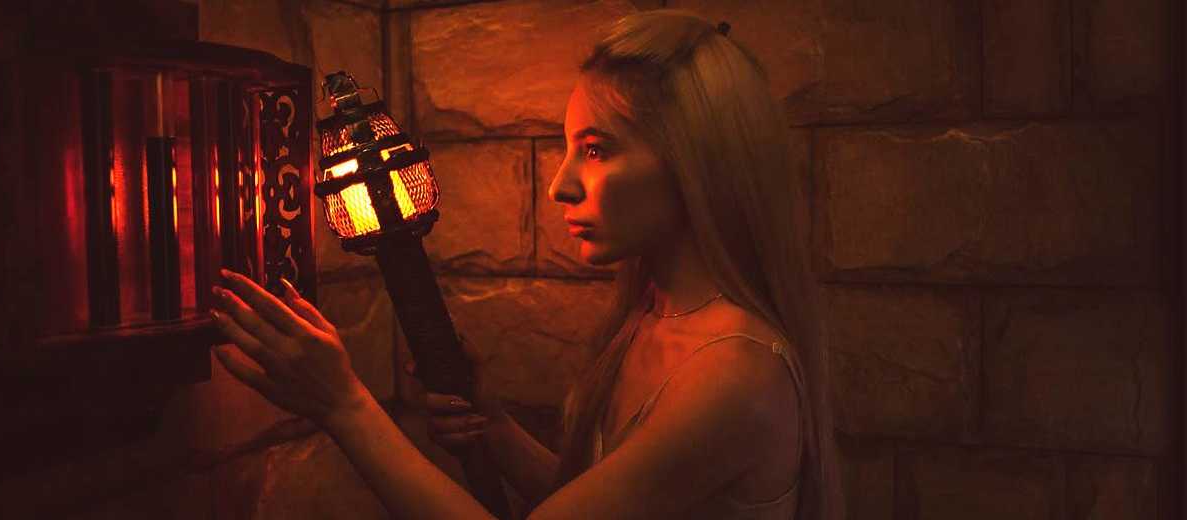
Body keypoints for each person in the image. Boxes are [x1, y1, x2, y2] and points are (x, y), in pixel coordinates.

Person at [209, 9, 843, 520]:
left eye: (595, 150)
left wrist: (344, 406)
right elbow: (598, 501)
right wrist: (497, 428)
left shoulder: (735, 373)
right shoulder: (654, 316)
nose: (560, 186)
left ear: (696, 164)